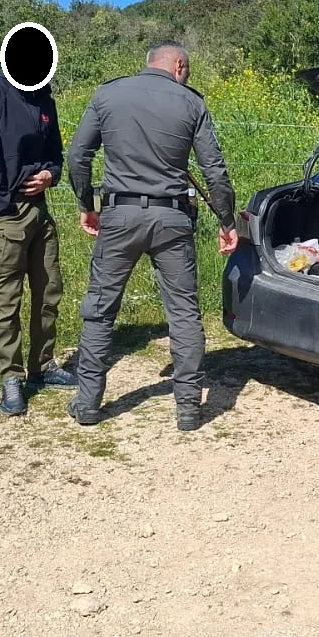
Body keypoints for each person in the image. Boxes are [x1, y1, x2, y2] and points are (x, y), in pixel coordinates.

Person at [65, 42, 239, 431]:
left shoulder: (108, 94)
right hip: (172, 219)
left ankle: (88, 403)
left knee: (100, 309)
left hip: (119, 215)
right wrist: (226, 221)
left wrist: (85, 203)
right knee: (183, 312)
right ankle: (189, 409)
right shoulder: (192, 104)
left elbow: (78, 155)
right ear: (179, 65)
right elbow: (215, 171)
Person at [0, 66, 75, 417]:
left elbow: (56, 155)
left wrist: (49, 175)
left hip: (39, 211)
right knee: (7, 299)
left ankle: (42, 367)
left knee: (49, 291)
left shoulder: (44, 99)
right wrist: (5, 205)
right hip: (3, 214)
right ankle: (10, 378)